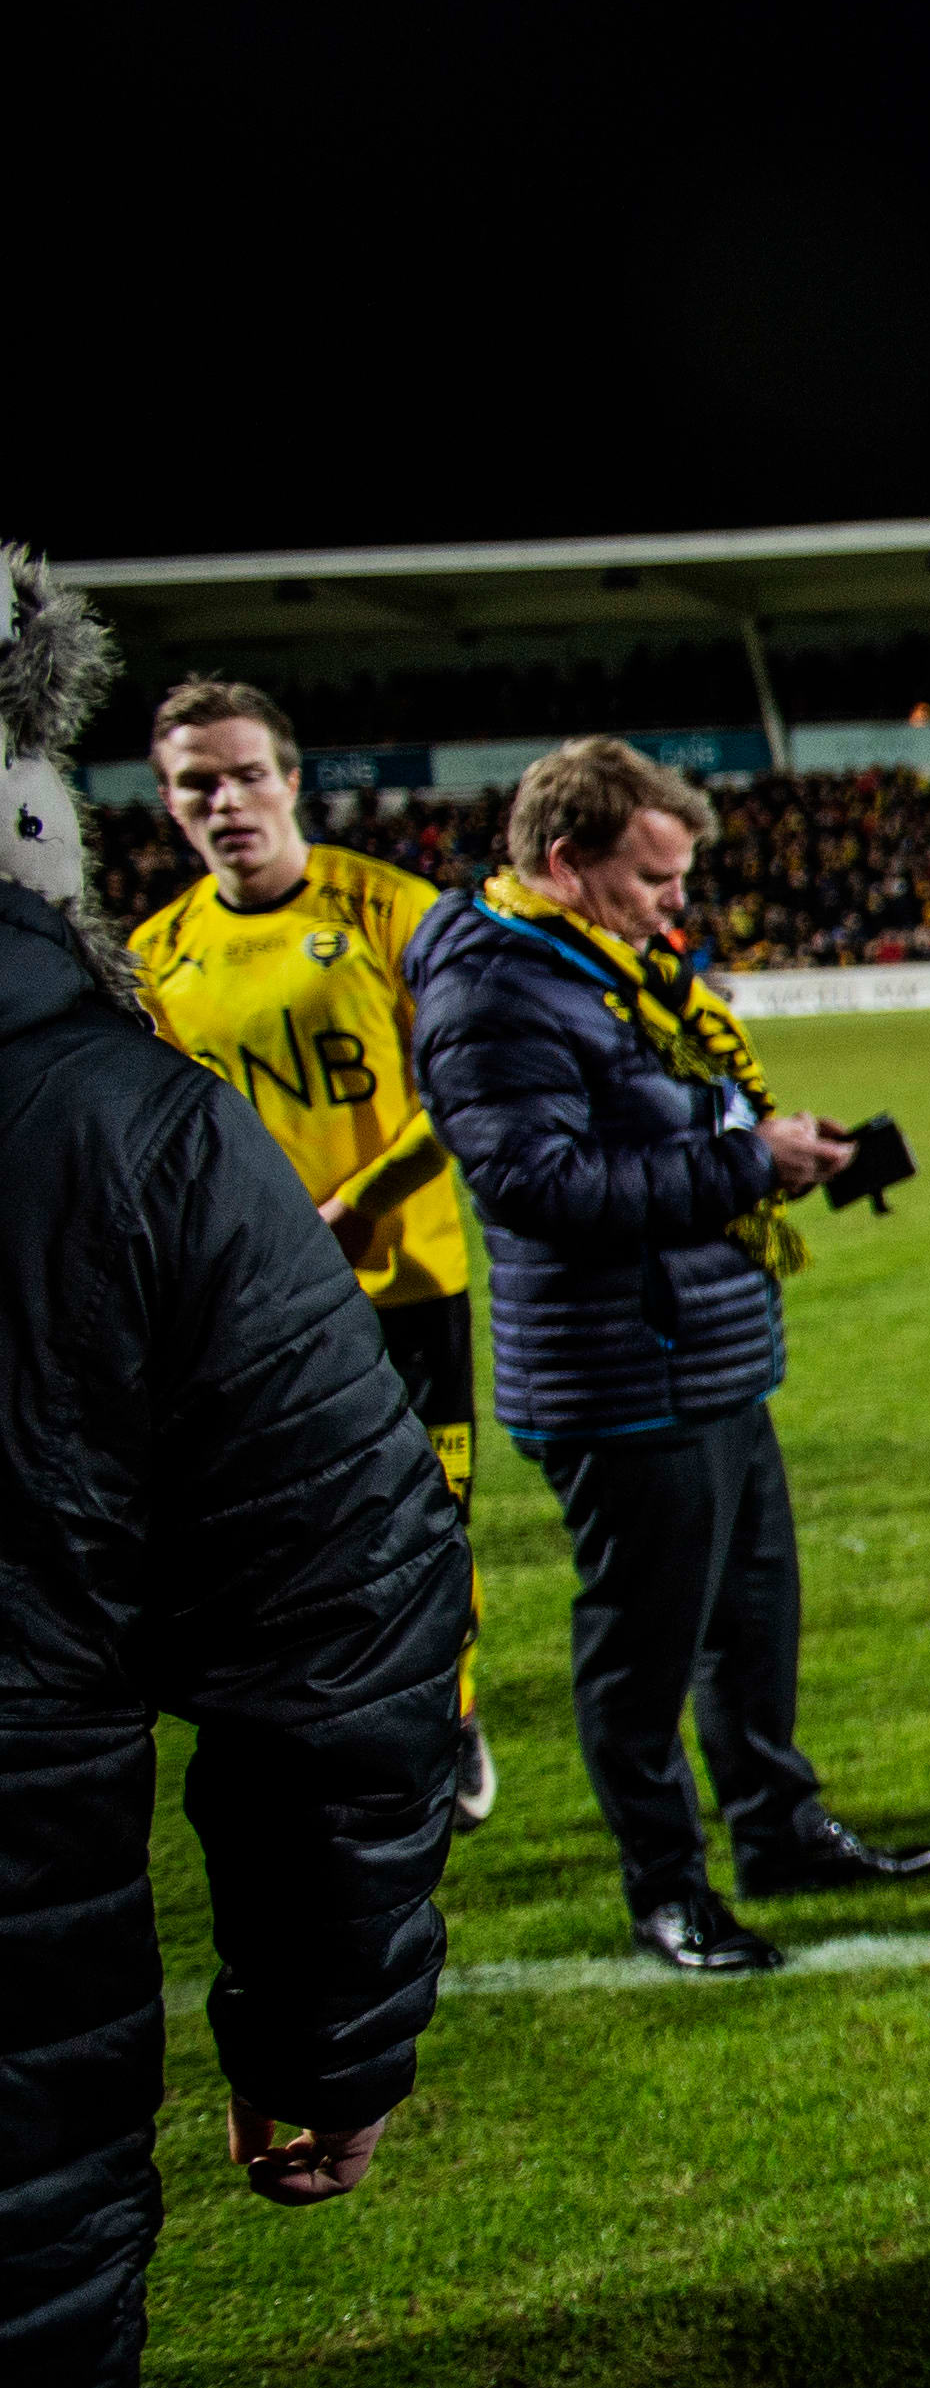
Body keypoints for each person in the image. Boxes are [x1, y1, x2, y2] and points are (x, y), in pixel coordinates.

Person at [0, 549, 461, 2388]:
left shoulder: (385, 921)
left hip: (381, 1307)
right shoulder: (118, 1056)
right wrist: (328, 2020)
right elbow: (333, 1626)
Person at [407, 736, 930, 1973]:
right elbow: (536, 1186)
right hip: (615, 1372)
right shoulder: (494, 990)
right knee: (644, 1649)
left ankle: (777, 1830)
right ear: (565, 863)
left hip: (701, 1346)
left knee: (751, 1619)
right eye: (654, 877)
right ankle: (665, 1887)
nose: (676, 902)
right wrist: (747, 1162)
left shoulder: (599, 969)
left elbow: (651, 1124)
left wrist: (772, 1151)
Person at [129, 674, 498, 1820]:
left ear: (291, 781)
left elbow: (469, 1087)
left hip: (407, 1281)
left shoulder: (397, 911)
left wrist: (362, 1202)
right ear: (169, 802)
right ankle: (337, 1729)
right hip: (252, 1302)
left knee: (426, 1523)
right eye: (199, 783)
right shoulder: (152, 957)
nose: (227, 800)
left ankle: (450, 1714)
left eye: (247, 774)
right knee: (288, 1534)